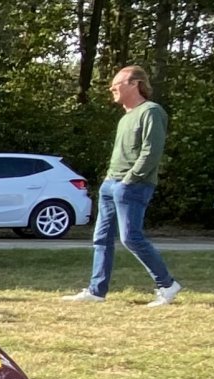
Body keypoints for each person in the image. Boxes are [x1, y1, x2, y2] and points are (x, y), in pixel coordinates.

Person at [63, 66, 181, 306]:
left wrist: (129, 179)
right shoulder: (126, 117)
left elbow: (151, 151)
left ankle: (167, 285)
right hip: (111, 184)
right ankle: (96, 291)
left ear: (135, 84)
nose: (112, 88)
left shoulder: (151, 111)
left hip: (133, 185)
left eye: (117, 84)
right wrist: (109, 180)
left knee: (131, 238)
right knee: (101, 239)